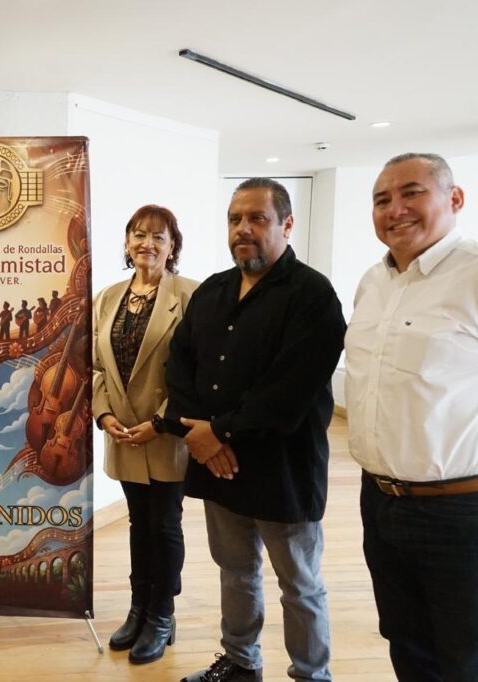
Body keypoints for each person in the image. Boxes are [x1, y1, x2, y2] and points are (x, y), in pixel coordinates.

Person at [345, 153, 478, 681]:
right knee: (410, 650)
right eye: (381, 200)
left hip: (470, 514)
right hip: (381, 503)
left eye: (412, 193)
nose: (394, 209)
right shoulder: (373, 282)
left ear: (454, 198)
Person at [163, 178, 345, 682]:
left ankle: (311, 674)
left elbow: (289, 389)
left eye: (257, 218)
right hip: (218, 464)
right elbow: (179, 365)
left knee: (299, 583)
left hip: (283, 468)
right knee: (235, 570)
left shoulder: (313, 295)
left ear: (287, 225)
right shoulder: (213, 290)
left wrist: (216, 434)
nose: (243, 229)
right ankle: (241, 663)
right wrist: (196, 435)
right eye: (235, 219)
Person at [92, 204, 197, 665]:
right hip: (122, 432)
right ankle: (138, 610)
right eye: (138, 234)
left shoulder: (191, 295)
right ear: (127, 242)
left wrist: (160, 423)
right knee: (140, 524)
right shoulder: (107, 298)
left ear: (172, 246)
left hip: (166, 433)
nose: (146, 243)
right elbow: (95, 367)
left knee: (165, 525)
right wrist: (103, 415)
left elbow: (198, 374)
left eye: (158, 236)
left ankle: (162, 615)